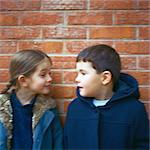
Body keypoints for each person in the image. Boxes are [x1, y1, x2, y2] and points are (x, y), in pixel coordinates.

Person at [64, 44, 149, 150]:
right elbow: (66, 143)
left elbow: (143, 145)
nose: (77, 79)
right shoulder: (75, 108)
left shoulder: (134, 110)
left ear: (105, 78)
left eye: (83, 73)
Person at [0, 50, 63, 150]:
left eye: (49, 73)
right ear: (23, 80)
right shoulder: (1, 109)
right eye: (43, 75)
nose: (50, 78)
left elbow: (58, 144)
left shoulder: (49, 110)